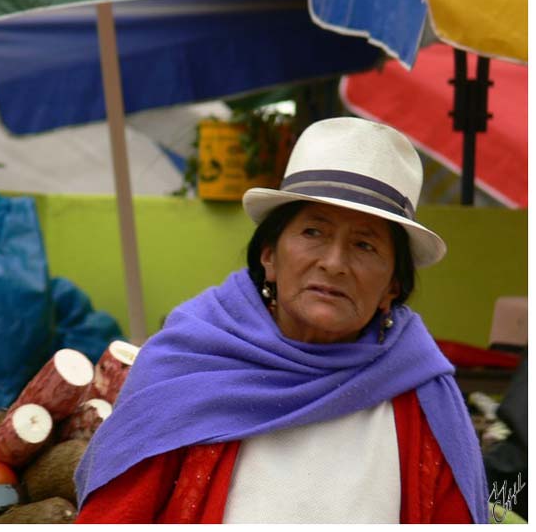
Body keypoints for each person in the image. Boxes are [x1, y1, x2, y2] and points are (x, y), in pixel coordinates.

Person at [73, 117, 488, 524]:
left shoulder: (424, 394)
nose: (334, 263)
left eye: (364, 244)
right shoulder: (188, 363)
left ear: (393, 286)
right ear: (269, 255)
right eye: (313, 232)